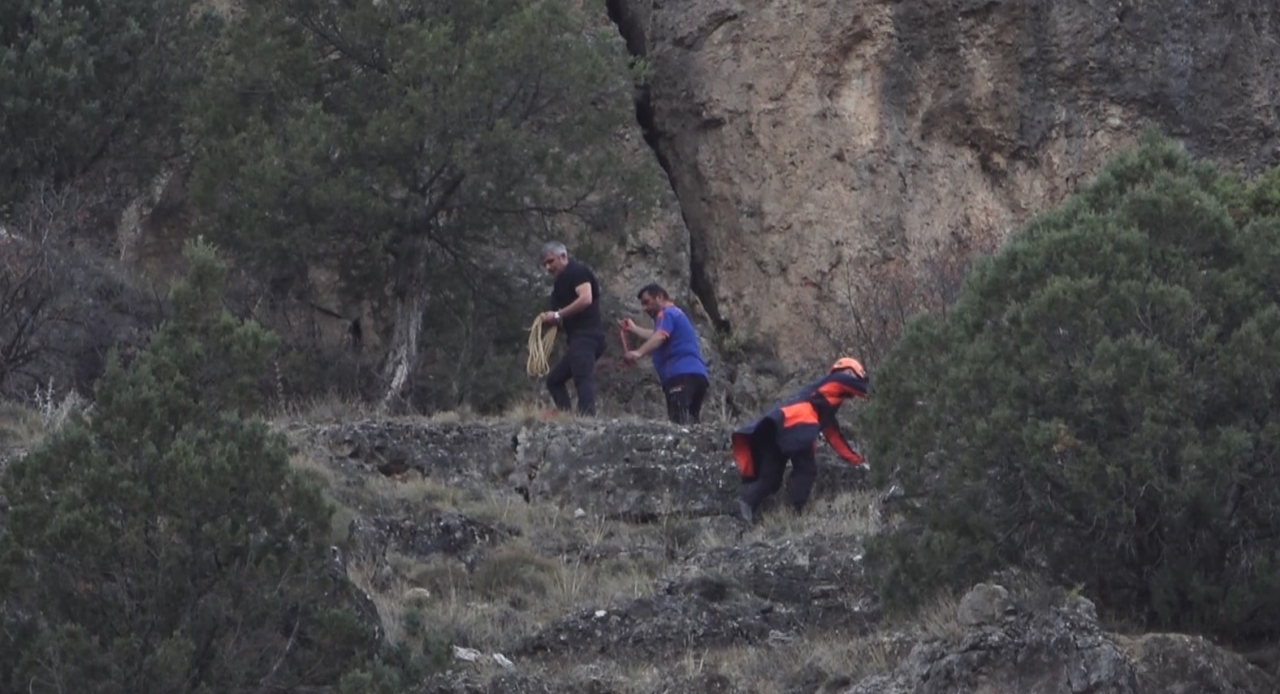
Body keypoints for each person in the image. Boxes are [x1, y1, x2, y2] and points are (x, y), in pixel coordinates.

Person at [731, 357, 870, 522]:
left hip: (774, 425)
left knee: (771, 479)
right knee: (806, 469)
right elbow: (863, 388)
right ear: (849, 372)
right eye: (854, 375)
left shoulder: (824, 403)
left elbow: (834, 437)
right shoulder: (836, 379)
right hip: (796, 421)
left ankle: (746, 503)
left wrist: (857, 461)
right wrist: (885, 389)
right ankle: (793, 514)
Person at [620, 283, 710, 424]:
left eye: (647, 302)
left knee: (679, 423)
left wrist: (638, 353)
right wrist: (634, 329)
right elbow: (657, 333)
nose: (644, 308)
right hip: (697, 375)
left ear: (660, 297)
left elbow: (659, 337)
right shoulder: (676, 313)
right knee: (692, 425)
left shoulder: (666, 313)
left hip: (680, 376)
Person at [539, 241, 605, 415]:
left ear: (563, 256)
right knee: (554, 381)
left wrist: (558, 315)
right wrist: (550, 321)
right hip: (576, 338)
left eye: (551, 261)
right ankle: (565, 417)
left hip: (588, 335)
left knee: (582, 376)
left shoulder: (577, 271)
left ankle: (587, 419)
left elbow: (586, 298)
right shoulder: (558, 286)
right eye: (545, 264)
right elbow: (561, 319)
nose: (548, 267)